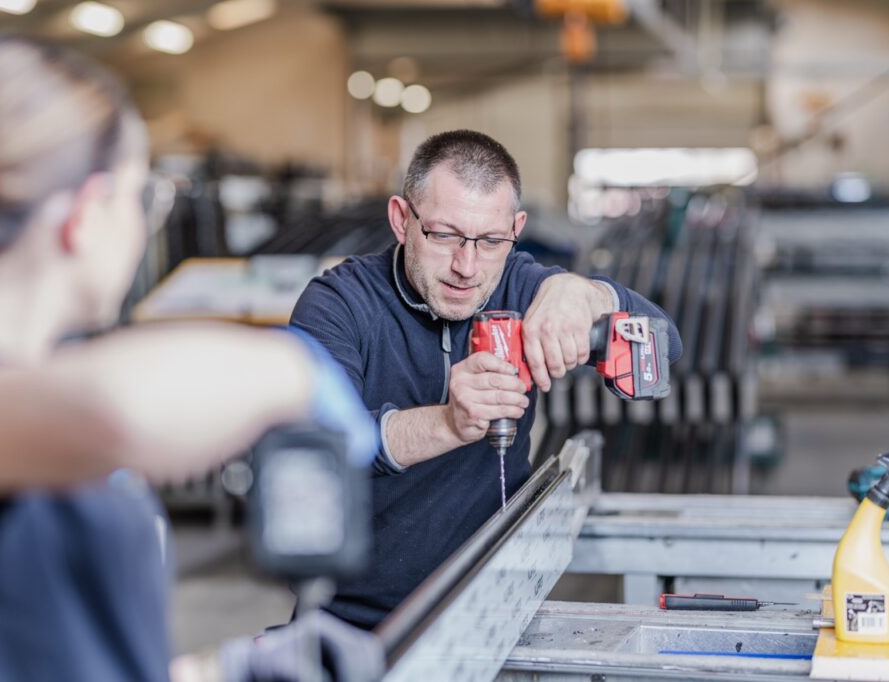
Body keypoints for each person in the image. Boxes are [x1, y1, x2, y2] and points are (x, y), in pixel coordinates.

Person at [0, 35, 382, 682]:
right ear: (86, 213)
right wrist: (292, 370)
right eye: (144, 199)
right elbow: (113, 411)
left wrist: (218, 673)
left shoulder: (23, 384)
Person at [290, 129, 683, 629]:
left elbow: (666, 346)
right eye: (444, 235)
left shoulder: (522, 286)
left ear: (515, 229)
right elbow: (314, 451)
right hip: (356, 624)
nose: (466, 266)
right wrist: (447, 424)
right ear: (400, 220)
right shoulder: (339, 304)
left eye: (491, 241)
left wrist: (587, 294)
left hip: (494, 608)